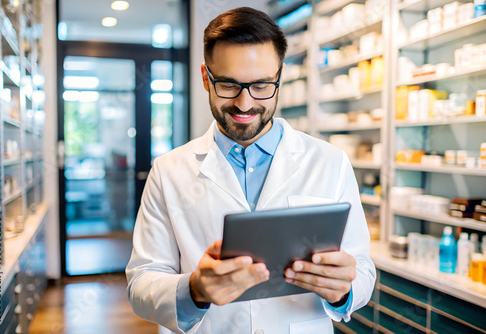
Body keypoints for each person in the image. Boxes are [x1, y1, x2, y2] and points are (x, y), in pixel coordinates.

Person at [126, 7, 375, 334]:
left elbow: (364, 271)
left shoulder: (330, 162)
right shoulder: (168, 170)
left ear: (280, 77)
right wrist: (196, 290)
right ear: (206, 77)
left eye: (260, 86)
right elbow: (141, 284)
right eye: (228, 85)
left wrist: (343, 290)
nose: (245, 104)